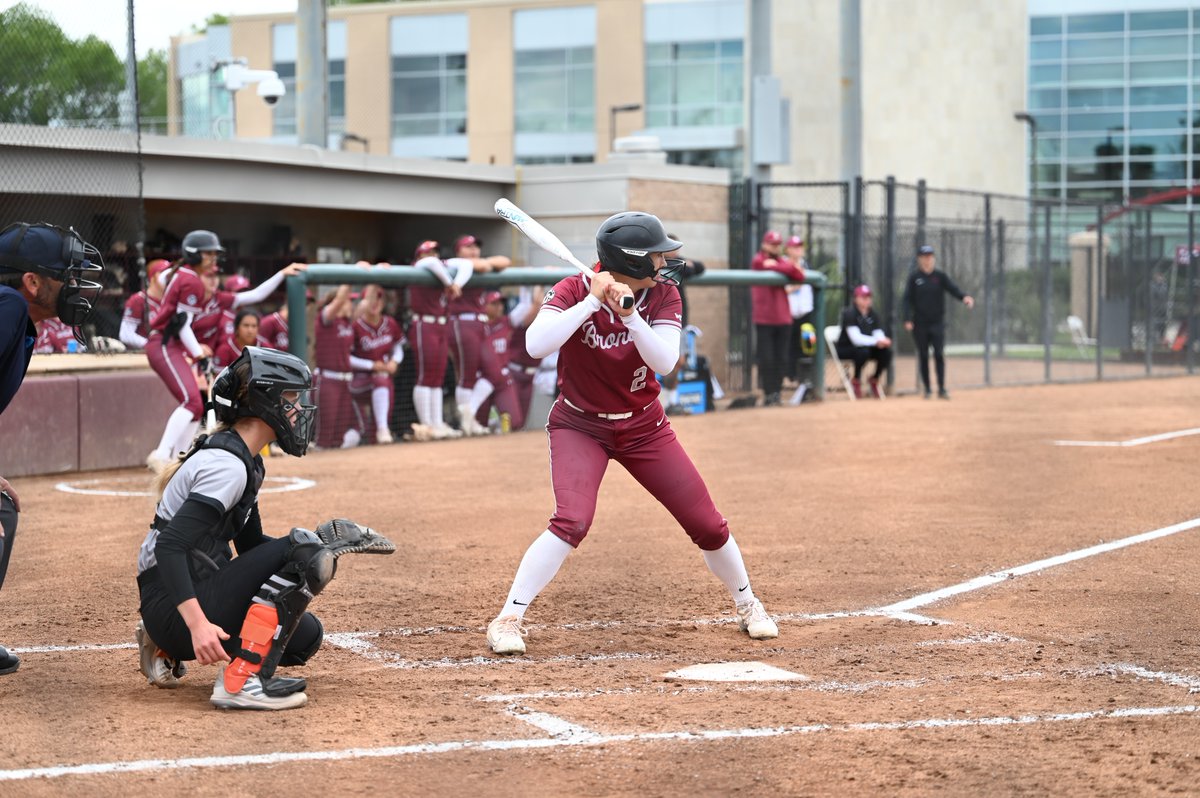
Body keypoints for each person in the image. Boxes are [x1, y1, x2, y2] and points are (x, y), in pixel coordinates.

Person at [485, 211, 779, 656]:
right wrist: (590, 300)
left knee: (706, 523)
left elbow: (664, 361)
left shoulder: (663, 296)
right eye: (658, 257)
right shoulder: (571, 288)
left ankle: (748, 603)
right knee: (572, 521)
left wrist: (628, 315)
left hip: (644, 426)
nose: (665, 264)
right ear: (635, 261)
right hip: (580, 425)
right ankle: (508, 618)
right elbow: (534, 344)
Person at [133, 346, 394, 709]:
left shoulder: (245, 460)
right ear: (265, 403)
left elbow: (251, 544)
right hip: (172, 605)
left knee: (305, 637)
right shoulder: (227, 466)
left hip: (181, 594)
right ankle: (239, 684)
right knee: (304, 549)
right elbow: (170, 547)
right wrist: (197, 626)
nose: (298, 410)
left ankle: (164, 643)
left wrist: (322, 549)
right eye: (290, 400)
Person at [0, 221, 104, 675]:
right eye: (66, 274)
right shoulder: (5, 306)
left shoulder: (15, 316)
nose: (76, 286)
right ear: (32, 282)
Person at [145, 229, 305, 471]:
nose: (212, 275)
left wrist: (281, 273)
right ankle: (161, 455)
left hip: (179, 347)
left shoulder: (209, 293)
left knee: (196, 405)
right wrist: (198, 353)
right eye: (207, 256)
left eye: (215, 273)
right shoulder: (189, 279)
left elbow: (254, 295)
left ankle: (177, 458)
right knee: (191, 401)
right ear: (194, 255)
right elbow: (182, 324)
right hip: (166, 343)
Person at [407, 240, 472, 441]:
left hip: (441, 324)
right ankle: (427, 425)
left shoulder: (441, 265)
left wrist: (457, 285)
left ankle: (437, 423)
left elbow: (466, 264)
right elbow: (432, 264)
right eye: (429, 252)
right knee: (426, 376)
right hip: (423, 323)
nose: (433, 255)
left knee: (437, 377)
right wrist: (449, 283)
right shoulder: (420, 265)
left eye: (435, 251)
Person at [447, 235, 511, 436]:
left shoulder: (475, 262)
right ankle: (468, 421)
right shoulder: (455, 264)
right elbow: (482, 267)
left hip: (478, 322)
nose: (473, 250)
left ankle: (469, 414)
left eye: (476, 246)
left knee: (495, 373)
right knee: (467, 375)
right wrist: (482, 263)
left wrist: (484, 262)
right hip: (461, 321)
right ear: (458, 251)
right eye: (468, 247)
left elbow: (504, 261)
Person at [902, 244, 974, 399]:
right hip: (920, 323)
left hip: (937, 323)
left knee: (939, 354)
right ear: (919, 259)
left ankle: (941, 388)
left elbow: (953, 289)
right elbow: (906, 300)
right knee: (923, 355)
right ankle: (927, 388)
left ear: (933, 259)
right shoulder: (914, 278)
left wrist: (964, 297)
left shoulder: (940, 277)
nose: (927, 260)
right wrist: (907, 319)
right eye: (924, 257)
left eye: (930, 256)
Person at [750, 230, 806, 406]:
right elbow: (764, 266)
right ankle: (768, 394)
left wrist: (775, 265)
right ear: (764, 244)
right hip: (764, 318)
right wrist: (783, 267)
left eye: (778, 244)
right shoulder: (758, 259)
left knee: (781, 358)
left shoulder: (780, 261)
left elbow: (799, 274)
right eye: (772, 244)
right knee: (767, 358)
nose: (775, 247)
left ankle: (777, 393)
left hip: (783, 318)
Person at [350, 283, 404, 444]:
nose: (375, 303)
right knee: (381, 380)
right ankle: (382, 430)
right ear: (364, 303)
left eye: (379, 299)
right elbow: (347, 358)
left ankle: (380, 441)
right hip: (359, 380)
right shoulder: (356, 326)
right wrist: (371, 365)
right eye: (371, 299)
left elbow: (398, 346)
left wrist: (395, 361)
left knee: (384, 385)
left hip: (384, 379)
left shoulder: (390, 322)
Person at [471, 290, 527, 433]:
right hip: (481, 380)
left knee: (514, 423)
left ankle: (496, 424)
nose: (499, 307)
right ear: (483, 306)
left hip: (502, 379)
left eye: (500, 304)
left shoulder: (506, 322)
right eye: (494, 304)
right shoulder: (476, 325)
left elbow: (525, 306)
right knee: (478, 425)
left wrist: (525, 285)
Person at [836, 284, 892, 398]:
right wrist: (876, 342)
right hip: (845, 348)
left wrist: (883, 341)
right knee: (863, 351)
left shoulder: (873, 314)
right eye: (863, 297)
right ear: (856, 299)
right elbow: (856, 339)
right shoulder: (849, 313)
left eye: (868, 297)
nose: (867, 300)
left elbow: (877, 332)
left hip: (865, 347)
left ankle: (874, 379)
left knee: (886, 352)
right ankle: (856, 380)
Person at [120, 258, 170, 351]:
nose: (168, 278)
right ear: (152, 277)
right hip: (142, 353)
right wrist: (151, 346)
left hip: (170, 351)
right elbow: (125, 334)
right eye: (163, 273)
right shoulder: (138, 300)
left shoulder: (172, 298)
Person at [783, 237, 814, 387]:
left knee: (807, 344)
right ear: (787, 249)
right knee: (789, 345)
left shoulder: (806, 264)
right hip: (788, 313)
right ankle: (790, 375)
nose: (798, 250)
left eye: (800, 247)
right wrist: (793, 287)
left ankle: (805, 380)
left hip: (806, 314)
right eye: (795, 247)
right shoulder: (782, 264)